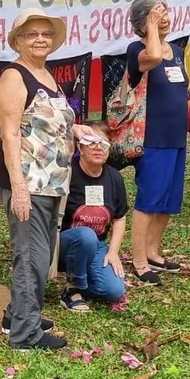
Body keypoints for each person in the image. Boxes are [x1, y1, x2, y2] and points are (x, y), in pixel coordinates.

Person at [0, 8, 96, 350]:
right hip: (30, 183)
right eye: (32, 34)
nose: (40, 39)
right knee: (32, 257)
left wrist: (76, 129)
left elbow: (45, 123)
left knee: (40, 253)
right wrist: (19, 188)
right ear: (18, 40)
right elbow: (9, 135)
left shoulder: (46, 74)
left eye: (46, 34)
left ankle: (18, 315)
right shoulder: (14, 76)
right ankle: (25, 335)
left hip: (52, 182)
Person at [127, 0, 190, 286]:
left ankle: (152, 252)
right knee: (149, 199)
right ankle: (138, 260)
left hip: (175, 136)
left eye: (165, 12)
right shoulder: (138, 50)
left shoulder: (174, 50)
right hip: (152, 138)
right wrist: (150, 28)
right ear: (141, 22)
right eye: (155, 14)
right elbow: (154, 58)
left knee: (168, 201)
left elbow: (175, 89)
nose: (164, 18)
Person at [58, 123, 127, 311]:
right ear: (80, 147)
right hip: (63, 243)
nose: (98, 147)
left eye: (103, 143)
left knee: (114, 291)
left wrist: (113, 252)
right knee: (85, 235)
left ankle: (83, 278)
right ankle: (73, 289)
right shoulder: (66, 172)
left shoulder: (114, 177)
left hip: (96, 245)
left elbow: (119, 217)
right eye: (91, 142)